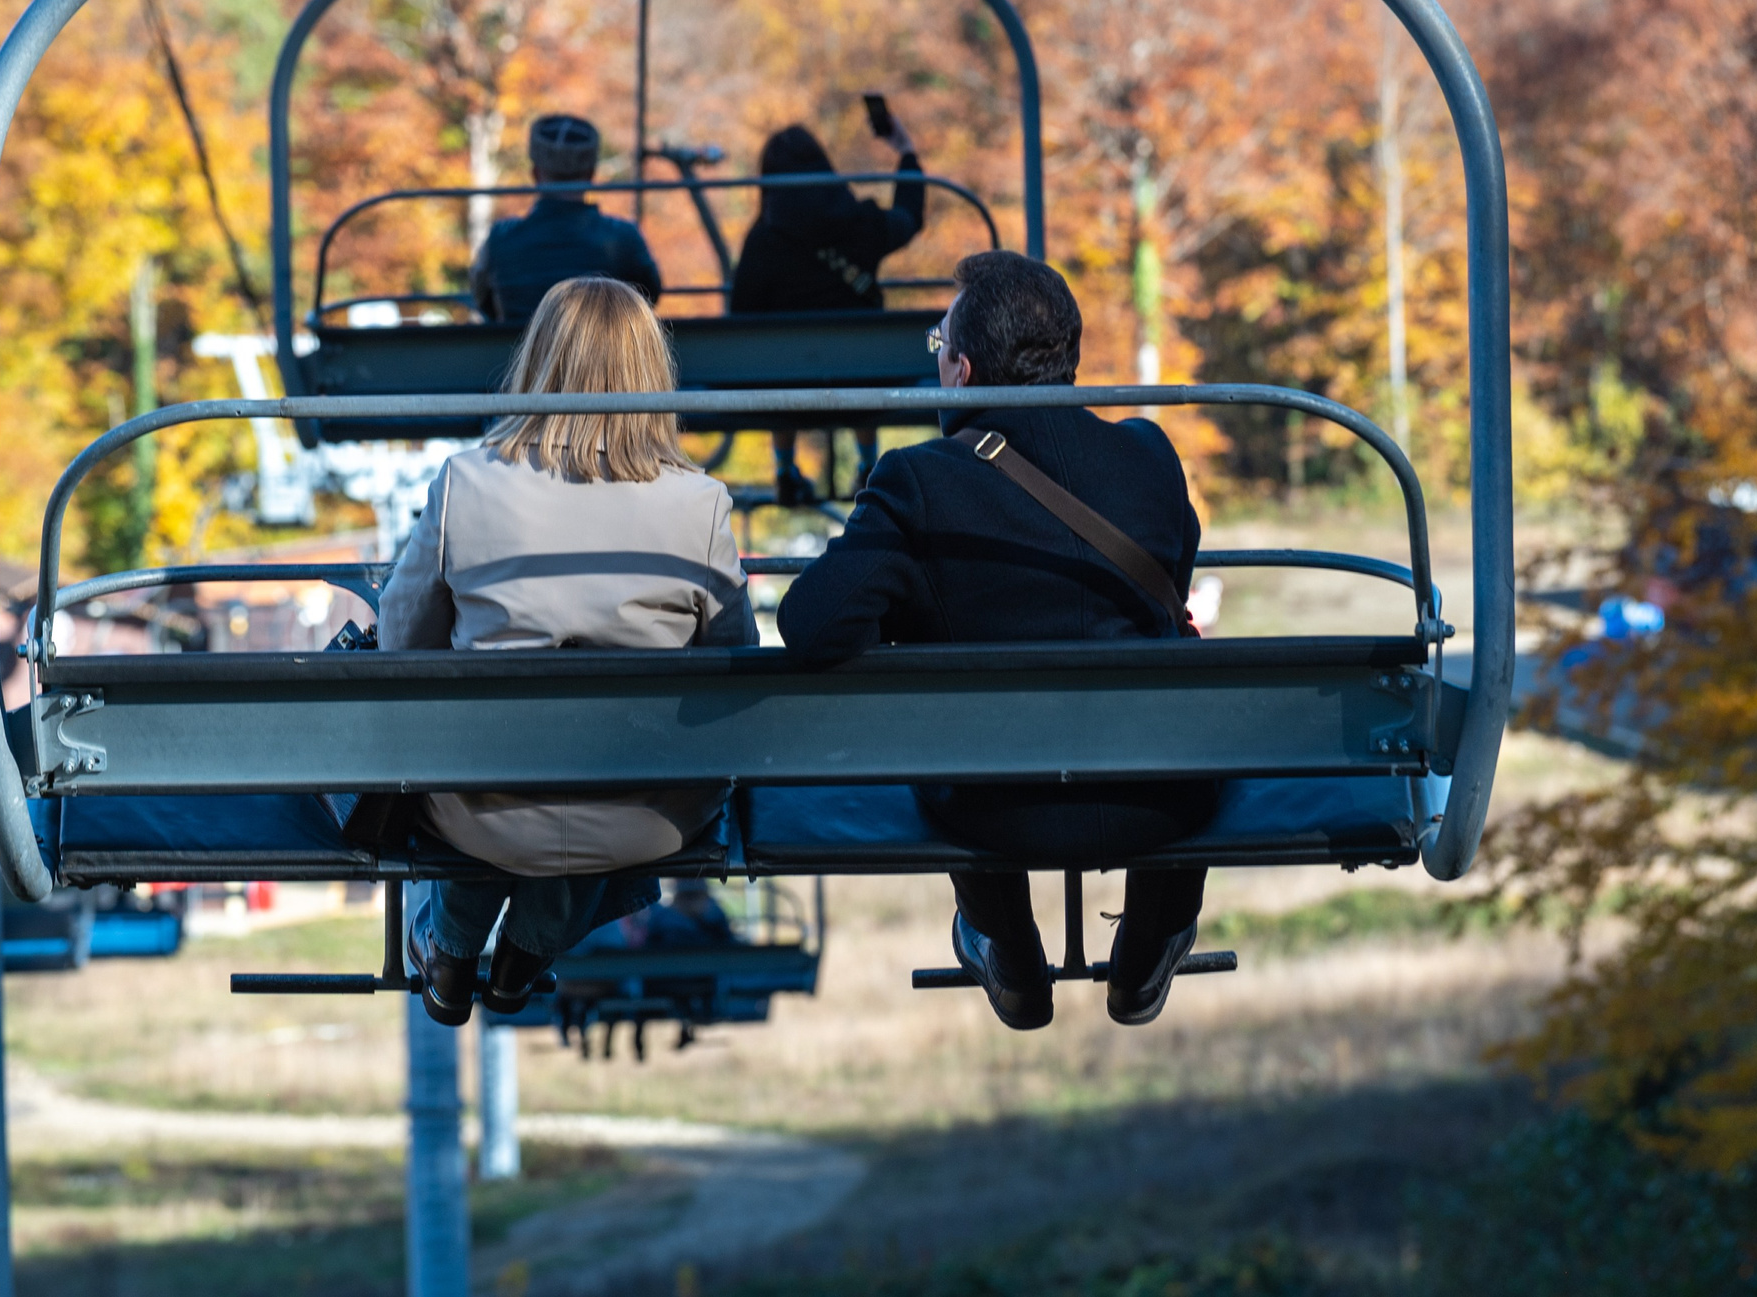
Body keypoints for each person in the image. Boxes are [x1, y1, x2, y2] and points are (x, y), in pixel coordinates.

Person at [775, 250, 1214, 1033]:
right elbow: (1172, 584)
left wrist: (909, 608)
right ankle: (1155, 933)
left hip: (997, 813)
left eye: (938, 346)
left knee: (961, 740)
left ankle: (1005, 944)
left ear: (962, 370)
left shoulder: (919, 480)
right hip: (1160, 800)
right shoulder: (1150, 455)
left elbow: (812, 627)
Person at [378, 275, 757, 1025]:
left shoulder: (466, 484)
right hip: (647, 813)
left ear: (539, 361)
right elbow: (734, 660)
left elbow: (400, 640)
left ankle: (452, 944)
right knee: (605, 786)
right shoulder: (699, 504)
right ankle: (528, 945)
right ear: (652, 373)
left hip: (481, 807)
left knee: (503, 773)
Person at [727, 116, 927, 504]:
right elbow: (909, 219)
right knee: (865, 361)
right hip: (866, 381)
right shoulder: (861, 223)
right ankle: (868, 464)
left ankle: (785, 468)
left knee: (773, 367)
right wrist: (906, 153)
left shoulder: (762, 241)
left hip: (782, 389)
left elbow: (742, 315)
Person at [470, 113, 663, 323]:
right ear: (590, 174)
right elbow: (648, 297)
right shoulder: (624, 237)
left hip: (514, 353)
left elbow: (483, 299)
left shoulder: (500, 239)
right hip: (599, 354)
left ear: (535, 173)